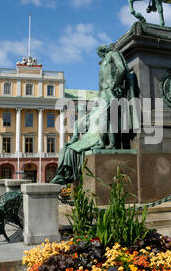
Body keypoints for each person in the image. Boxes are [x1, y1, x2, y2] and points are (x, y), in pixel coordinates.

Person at [50, 44, 138, 186]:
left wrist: (115, 85)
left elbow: (122, 69)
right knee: (106, 119)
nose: (99, 54)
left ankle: (104, 143)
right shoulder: (104, 61)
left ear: (104, 50)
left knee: (105, 117)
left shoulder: (113, 55)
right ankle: (66, 173)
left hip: (111, 92)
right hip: (104, 93)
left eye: (100, 52)